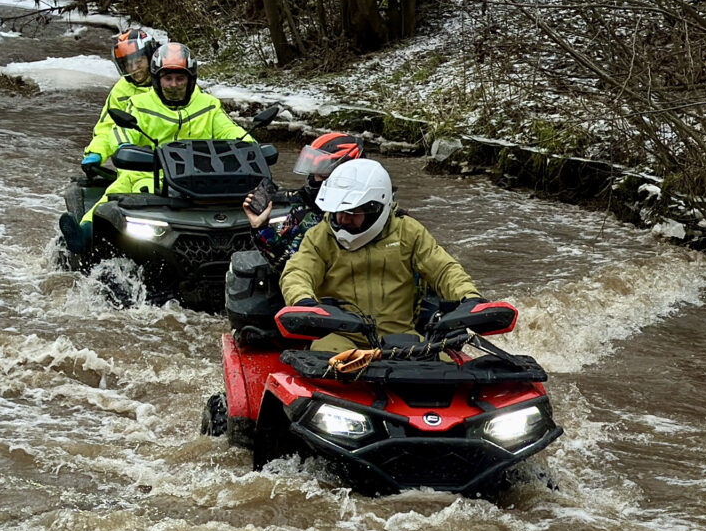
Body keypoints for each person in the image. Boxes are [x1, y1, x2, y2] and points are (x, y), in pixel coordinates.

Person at [60, 42, 251, 254]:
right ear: (157, 80)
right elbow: (119, 132)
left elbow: (232, 132)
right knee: (114, 196)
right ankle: (84, 233)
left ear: (191, 79)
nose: (174, 84)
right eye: (167, 78)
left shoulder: (209, 105)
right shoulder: (140, 105)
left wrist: (253, 150)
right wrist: (107, 151)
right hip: (147, 176)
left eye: (180, 78)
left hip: (203, 179)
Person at [280, 158, 483, 352]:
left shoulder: (409, 232)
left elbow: (444, 270)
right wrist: (302, 302)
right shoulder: (320, 235)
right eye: (337, 211)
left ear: (376, 208)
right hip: (338, 336)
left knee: (443, 370)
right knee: (332, 365)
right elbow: (297, 272)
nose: (341, 220)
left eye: (352, 213)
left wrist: (469, 298)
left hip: (402, 336)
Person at [242, 132, 363, 271]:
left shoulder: (368, 213)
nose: (314, 180)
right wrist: (260, 227)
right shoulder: (303, 210)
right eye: (314, 173)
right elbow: (285, 263)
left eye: (321, 174)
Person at [80, 28, 159, 176]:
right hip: (135, 165)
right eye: (129, 64)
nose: (134, 69)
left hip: (173, 161)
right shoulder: (121, 90)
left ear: (150, 57)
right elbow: (107, 127)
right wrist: (96, 153)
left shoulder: (170, 82)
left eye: (139, 61)